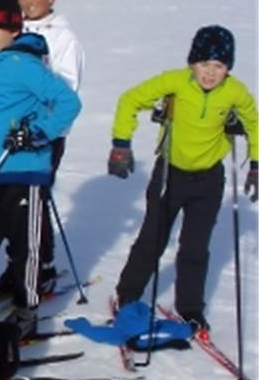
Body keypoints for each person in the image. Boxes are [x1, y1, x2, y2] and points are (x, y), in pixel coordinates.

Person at [109, 25, 257, 335]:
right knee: (153, 238)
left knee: (195, 246)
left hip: (208, 179)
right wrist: (121, 144)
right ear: (192, 62)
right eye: (204, 64)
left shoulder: (235, 92)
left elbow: (255, 123)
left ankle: (190, 308)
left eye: (218, 66)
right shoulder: (175, 82)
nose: (210, 73)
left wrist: (255, 163)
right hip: (170, 174)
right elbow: (130, 99)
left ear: (228, 68)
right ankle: (128, 295)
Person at [0, 0, 81, 338]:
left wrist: (38, 133)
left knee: (25, 248)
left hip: (26, 171)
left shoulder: (24, 65)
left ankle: (26, 312)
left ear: (14, 29)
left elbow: (68, 103)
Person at [0, 0, 88, 297]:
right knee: (11, 201)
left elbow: (67, 88)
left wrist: (41, 128)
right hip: (9, 132)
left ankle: (40, 265)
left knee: (33, 201)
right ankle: (17, 262)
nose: (29, 2)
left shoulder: (63, 38)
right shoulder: (14, 31)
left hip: (42, 135)